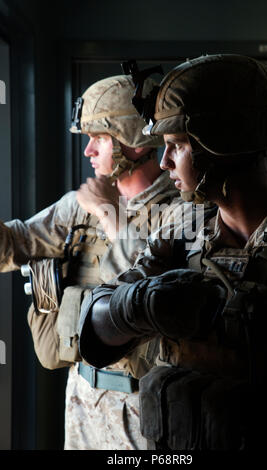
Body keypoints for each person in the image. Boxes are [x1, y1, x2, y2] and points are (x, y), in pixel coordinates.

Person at [78, 54, 267, 450]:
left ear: (223, 144)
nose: (163, 163)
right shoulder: (184, 227)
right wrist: (139, 306)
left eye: (176, 146)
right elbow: (94, 328)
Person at [0, 74, 180, 450]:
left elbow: (151, 283)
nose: (88, 151)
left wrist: (109, 213)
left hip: (146, 406)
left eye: (99, 138)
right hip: (82, 397)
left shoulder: (184, 208)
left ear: (132, 141)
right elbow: (18, 244)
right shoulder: (79, 203)